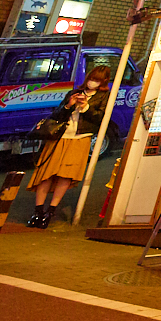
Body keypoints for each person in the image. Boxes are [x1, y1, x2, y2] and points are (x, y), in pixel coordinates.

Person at [25, 63, 112, 227]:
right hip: (60, 137)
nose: (92, 82)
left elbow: (101, 119)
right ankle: (38, 211)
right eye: (91, 78)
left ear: (104, 82)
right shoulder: (74, 93)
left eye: (97, 80)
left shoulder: (104, 97)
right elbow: (56, 115)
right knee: (46, 174)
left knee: (66, 175)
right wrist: (69, 105)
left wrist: (86, 107)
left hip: (80, 139)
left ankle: (50, 211)